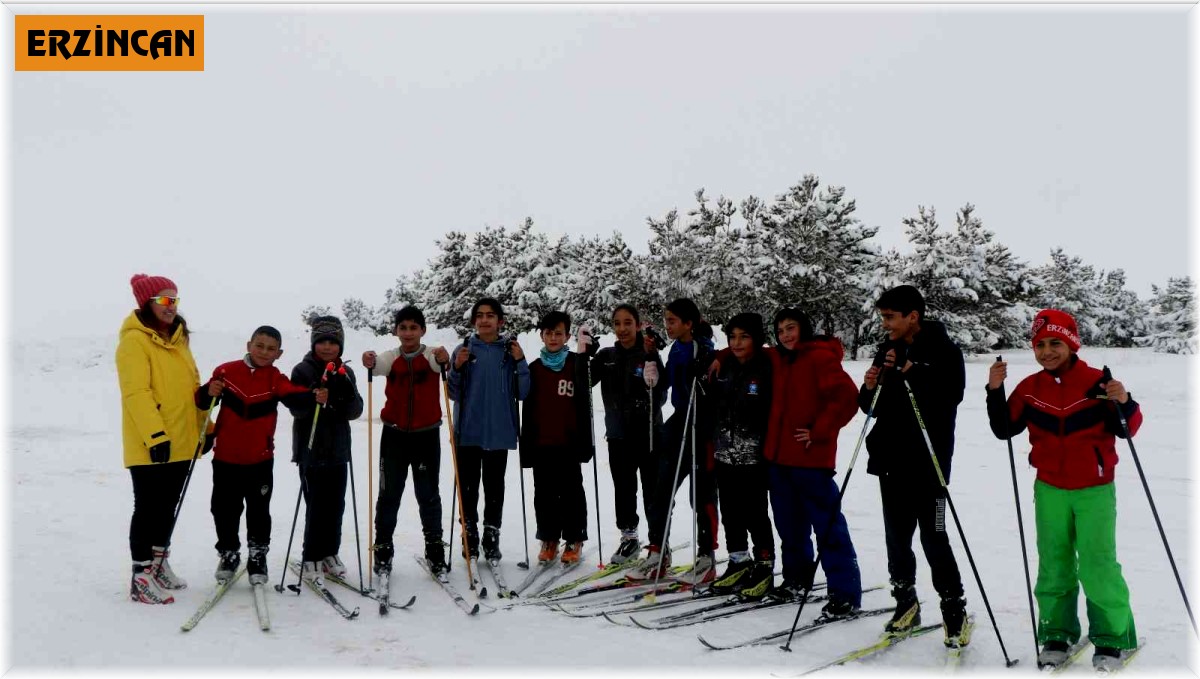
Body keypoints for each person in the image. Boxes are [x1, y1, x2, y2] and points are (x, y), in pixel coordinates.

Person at [986, 309, 1141, 670]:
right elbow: (1004, 428)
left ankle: (1113, 637)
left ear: (1072, 343)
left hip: (1094, 488)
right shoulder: (1029, 388)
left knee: (1097, 565)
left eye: (1055, 342)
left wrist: (1123, 400)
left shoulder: (1097, 382)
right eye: (1040, 345)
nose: (1047, 351)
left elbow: (1127, 428)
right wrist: (995, 390)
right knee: (1054, 564)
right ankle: (1057, 633)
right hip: (1050, 488)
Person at [859, 285, 968, 644]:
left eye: (890, 317)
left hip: (930, 465)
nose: (885, 324)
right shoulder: (885, 350)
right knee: (897, 538)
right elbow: (870, 407)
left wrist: (912, 370)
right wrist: (869, 386)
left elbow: (952, 395)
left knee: (935, 536)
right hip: (891, 462)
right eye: (883, 317)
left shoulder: (945, 350)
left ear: (913, 317)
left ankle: (955, 612)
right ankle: (906, 603)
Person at [198, 326, 320, 586]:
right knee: (224, 509)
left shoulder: (275, 378)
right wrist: (208, 391)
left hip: (260, 460)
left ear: (279, 353)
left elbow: (294, 395)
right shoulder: (226, 371)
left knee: (259, 510)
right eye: (259, 345)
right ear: (248, 344)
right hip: (226, 458)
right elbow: (201, 400)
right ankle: (229, 553)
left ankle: (257, 555)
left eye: (271, 348)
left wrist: (314, 394)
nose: (264, 352)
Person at [117, 273, 207, 604]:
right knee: (149, 507)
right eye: (164, 300)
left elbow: (191, 391)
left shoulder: (179, 340)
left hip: (181, 441)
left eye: (175, 300)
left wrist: (204, 430)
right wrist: (155, 436)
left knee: (168, 506)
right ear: (147, 302)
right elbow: (136, 393)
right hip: (150, 443)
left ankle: (158, 563)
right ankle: (141, 575)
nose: (171, 307)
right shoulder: (134, 342)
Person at [628, 298, 718, 583]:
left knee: (701, 495)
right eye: (666, 320)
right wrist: (653, 360)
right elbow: (668, 384)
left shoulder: (702, 347)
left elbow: (709, 385)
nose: (668, 325)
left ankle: (706, 556)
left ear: (689, 323)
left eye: (672, 321)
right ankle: (657, 552)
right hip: (678, 421)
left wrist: (702, 374)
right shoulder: (678, 347)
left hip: (700, 425)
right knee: (660, 490)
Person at [361, 306, 451, 577]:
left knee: (428, 494)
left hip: (426, 435)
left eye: (414, 327)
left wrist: (444, 357)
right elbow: (378, 365)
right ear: (396, 331)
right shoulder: (392, 357)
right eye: (403, 328)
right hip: (394, 435)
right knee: (389, 495)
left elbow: (441, 362)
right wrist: (369, 360)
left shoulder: (430, 355)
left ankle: (434, 547)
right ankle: (383, 547)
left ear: (423, 330)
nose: (408, 333)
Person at [448, 298, 530, 563]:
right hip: (468, 430)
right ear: (473, 321)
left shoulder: (509, 351)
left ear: (500, 321)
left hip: (498, 431)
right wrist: (457, 368)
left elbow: (523, 392)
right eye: (480, 316)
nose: (484, 320)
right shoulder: (463, 349)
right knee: (468, 486)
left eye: (490, 315)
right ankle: (468, 531)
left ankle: (491, 533)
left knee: (494, 487)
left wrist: (520, 362)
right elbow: (452, 392)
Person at [706, 312, 777, 600]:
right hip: (725, 453)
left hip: (754, 457)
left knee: (756, 513)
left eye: (743, 336)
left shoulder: (767, 367)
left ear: (757, 339)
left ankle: (764, 564)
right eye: (732, 337)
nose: (736, 343)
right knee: (731, 512)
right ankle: (738, 560)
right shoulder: (726, 366)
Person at [288, 316, 364, 584]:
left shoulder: (346, 371)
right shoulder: (302, 370)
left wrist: (338, 396)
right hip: (312, 451)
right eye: (322, 342)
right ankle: (311, 556)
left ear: (340, 345)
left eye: (333, 342)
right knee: (317, 507)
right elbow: (295, 406)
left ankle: (330, 553)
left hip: (339, 451)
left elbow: (355, 411)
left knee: (336, 506)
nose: (327, 347)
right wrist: (313, 396)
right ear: (314, 343)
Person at [589, 304, 667, 564]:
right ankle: (629, 538)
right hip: (618, 435)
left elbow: (662, 393)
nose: (622, 329)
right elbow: (583, 381)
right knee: (623, 489)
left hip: (648, 434)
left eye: (627, 323)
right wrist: (583, 355)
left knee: (653, 491)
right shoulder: (606, 355)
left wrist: (653, 364)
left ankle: (659, 542)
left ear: (637, 324)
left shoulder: (647, 352)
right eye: (617, 323)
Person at [520, 311, 596, 565]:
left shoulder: (576, 363)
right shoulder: (534, 368)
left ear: (567, 336)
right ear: (541, 335)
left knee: (572, 491)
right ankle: (549, 537)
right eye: (548, 333)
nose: (553, 338)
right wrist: (527, 445)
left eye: (558, 333)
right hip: (542, 442)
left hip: (569, 442)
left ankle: (574, 537)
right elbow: (528, 409)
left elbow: (591, 381)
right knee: (544, 492)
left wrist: (587, 352)